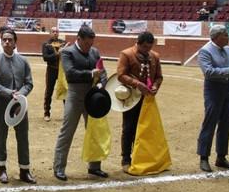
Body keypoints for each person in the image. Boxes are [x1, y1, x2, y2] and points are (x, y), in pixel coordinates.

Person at [53, 26, 108, 181]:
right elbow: (70, 74)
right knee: (67, 131)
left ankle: (94, 166)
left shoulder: (94, 52)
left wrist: (100, 85)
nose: (89, 47)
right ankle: (59, 168)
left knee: (94, 131)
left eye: (91, 44)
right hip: (75, 96)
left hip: (93, 96)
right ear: (78, 39)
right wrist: (91, 74)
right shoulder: (67, 52)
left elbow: (102, 72)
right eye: (86, 44)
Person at [0, 30, 36, 184]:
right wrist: (10, 93)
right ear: (1, 42)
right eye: (4, 40)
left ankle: (25, 170)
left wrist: (19, 96)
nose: (7, 42)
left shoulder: (23, 61)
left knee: (23, 137)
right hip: (2, 105)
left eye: (10, 40)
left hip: (20, 106)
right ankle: (2, 170)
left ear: (16, 42)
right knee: (1, 136)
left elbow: (29, 83)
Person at [196, 25, 229, 172]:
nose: (228, 37)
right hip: (213, 91)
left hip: (228, 89)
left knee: (225, 124)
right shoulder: (205, 51)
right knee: (209, 123)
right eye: (225, 35)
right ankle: (204, 157)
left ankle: (221, 157)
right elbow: (208, 72)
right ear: (216, 37)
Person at [115, 31, 164, 172]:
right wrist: (137, 84)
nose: (147, 50)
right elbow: (120, 75)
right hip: (130, 97)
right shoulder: (126, 54)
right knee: (129, 127)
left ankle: (140, 157)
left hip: (147, 98)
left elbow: (159, 77)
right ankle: (126, 158)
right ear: (138, 43)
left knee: (144, 128)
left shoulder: (154, 56)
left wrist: (155, 86)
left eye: (149, 47)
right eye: (144, 47)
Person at [42, 26, 67, 122]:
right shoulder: (46, 44)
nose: (55, 33)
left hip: (62, 70)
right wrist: (57, 54)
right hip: (51, 70)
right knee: (49, 91)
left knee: (65, 89)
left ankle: (67, 114)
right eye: (53, 31)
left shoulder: (63, 43)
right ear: (50, 33)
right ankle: (46, 113)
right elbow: (45, 58)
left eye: (57, 31)